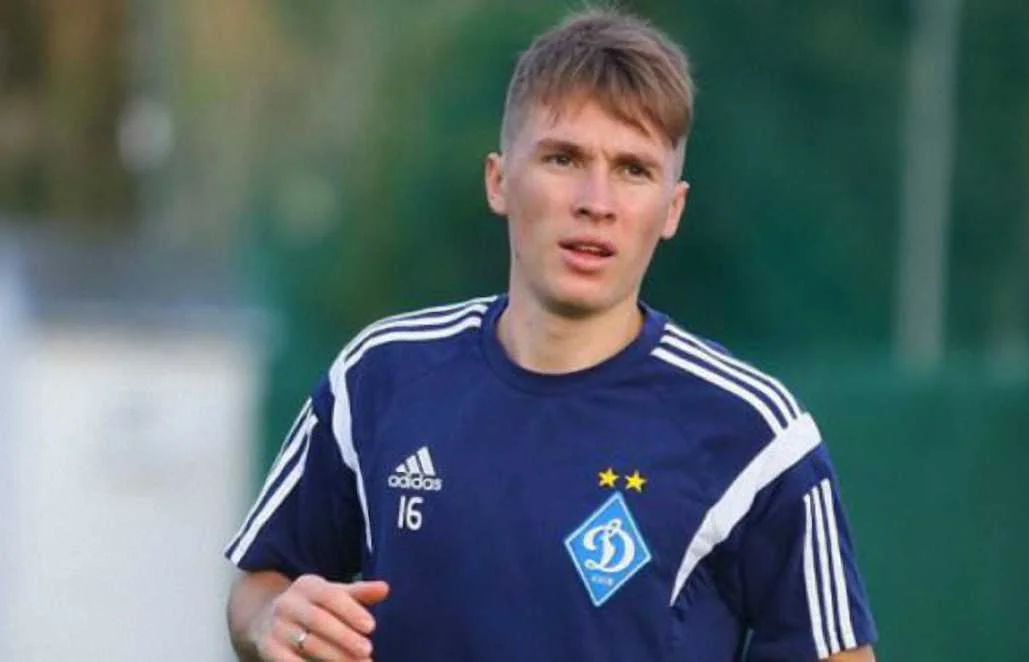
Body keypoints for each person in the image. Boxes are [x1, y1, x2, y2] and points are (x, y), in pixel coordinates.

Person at [224, 7, 878, 661]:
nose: (597, 201)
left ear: (672, 209)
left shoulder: (753, 432)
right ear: (499, 181)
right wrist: (274, 619)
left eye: (633, 169)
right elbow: (260, 588)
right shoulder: (380, 376)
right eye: (564, 158)